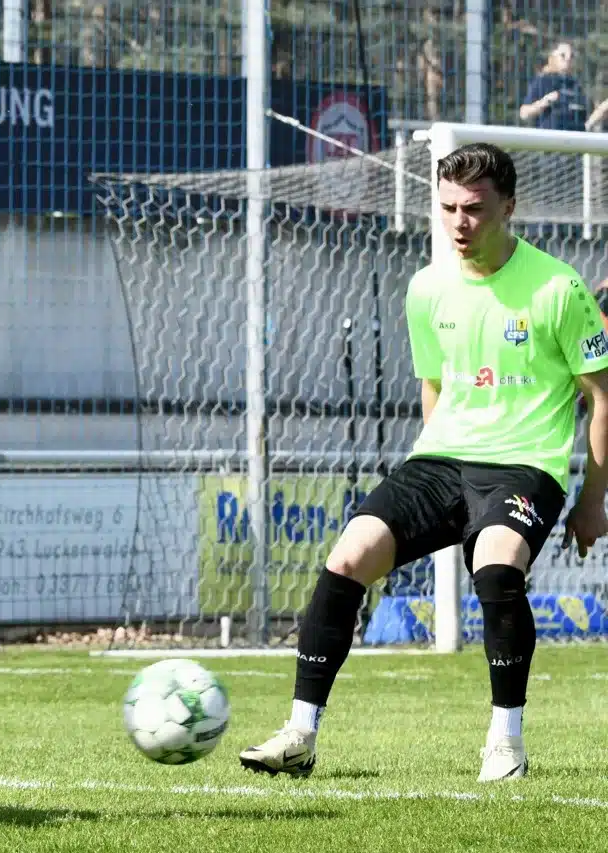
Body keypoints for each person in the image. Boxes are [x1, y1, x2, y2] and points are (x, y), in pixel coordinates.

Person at [237, 142, 608, 783]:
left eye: (474, 209)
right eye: (447, 209)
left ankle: (505, 741)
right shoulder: (426, 287)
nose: (459, 222)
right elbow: (432, 385)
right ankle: (300, 732)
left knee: (497, 566)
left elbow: (601, 399)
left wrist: (593, 501)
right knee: (349, 555)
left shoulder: (559, 287)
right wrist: (433, 468)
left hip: (525, 466)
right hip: (439, 459)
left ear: (509, 207)